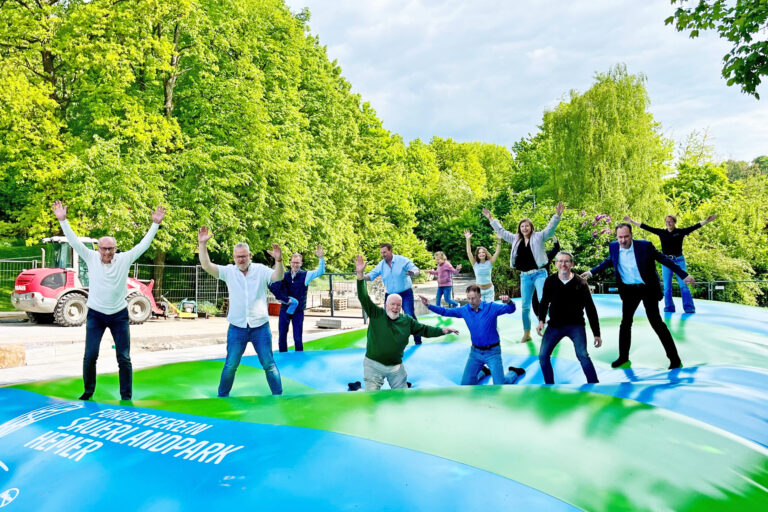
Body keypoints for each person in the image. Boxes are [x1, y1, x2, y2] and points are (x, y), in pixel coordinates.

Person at [52, 200, 165, 401]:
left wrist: (155, 224)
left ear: (115, 249)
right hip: (95, 314)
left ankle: (126, 396)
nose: (107, 252)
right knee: (90, 355)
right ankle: (88, 392)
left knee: (124, 357)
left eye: (110, 249)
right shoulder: (90, 257)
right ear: (98, 249)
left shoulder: (124, 259)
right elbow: (74, 241)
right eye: (103, 249)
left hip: (119, 315)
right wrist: (63, 221)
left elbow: (143, 245)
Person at [581, 223, 695, 369]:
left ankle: (674, 359)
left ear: (632, 235)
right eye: (620, 237)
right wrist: (591, 272)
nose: (622, 240)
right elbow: (610, 260)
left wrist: (683, 274)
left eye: (626, 237)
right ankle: (623, 357)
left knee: (657, 323)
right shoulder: (614, 246)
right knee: (625, 323)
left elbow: (664, 260)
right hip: (629, 291)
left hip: (648, 289)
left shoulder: (645, 246)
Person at [198, 226, 284, 397]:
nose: (241, 259)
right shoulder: (228, 271)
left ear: (249, 256)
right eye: (238, 257)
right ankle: (222, 397)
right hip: (237, 327)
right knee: (230, 364)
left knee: (269, 363)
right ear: (234, 257)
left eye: (244, 256)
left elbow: (278, 277)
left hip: (260, 326)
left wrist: (279, 261)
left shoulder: (260, 270)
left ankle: (279, 396)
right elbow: (206, 265)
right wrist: (202, 245)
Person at [356, 255, 457, 390]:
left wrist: (442, 330)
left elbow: (424, 330)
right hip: (373, 365)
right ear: (386, 305)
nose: (395, 307)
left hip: (396, 367)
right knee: (371, 397)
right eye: (392, 304)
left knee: (402, 396)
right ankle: (357, 388)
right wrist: (360, 275)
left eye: (398, 305)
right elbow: (363, 297)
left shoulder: (407, 321)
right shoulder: (377, 314)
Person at [482, 201, 565, 343]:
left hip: (539, 274)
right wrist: (491, 219)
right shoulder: (515, 239)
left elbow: (550, 229)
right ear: (519, 228)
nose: (524, 228)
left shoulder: (539, 236)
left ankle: (554, 329)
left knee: (543, 301)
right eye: (522, 226)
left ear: (531, 227)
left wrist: (557, 215)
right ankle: (527, 334)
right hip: (525, 276)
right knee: (525, 306)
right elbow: (501, 231)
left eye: (527, 226)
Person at [419, 285, 524, 386]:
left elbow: (511, 310)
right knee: (465, 385)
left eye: (473, 298)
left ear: (480, 296)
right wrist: (429, 305)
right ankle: (483, 372)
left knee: (500, 385)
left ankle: (513, 372)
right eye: (468, 298)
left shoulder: (491, 307)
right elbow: (445, 311)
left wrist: (509, 302)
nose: (470, 301)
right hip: (475, 353)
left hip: (493, 353)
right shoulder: (465, 310)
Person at [623, 214, 716, 313]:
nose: (668, 223)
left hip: (679, 260)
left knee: (683, 285)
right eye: (667, 221)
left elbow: (694, 227)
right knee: (667, 287)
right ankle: (669, 307)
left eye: (670, 221)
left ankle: (689, 308)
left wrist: (706, 221)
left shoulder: (680, 232)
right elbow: (646, 227)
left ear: (674, 222)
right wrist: (632, 221)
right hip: (666, 261)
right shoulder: (661, 232)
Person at [537, 252, 602, 385]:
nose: (563, 264)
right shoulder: (550, 281)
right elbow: (544, 302)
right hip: (555, 325)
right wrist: (541, 320)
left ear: (572, 264)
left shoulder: (581, 283)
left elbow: (590, 309)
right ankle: (549, 385)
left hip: (575, 325)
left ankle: (594, 384)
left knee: (582, 355)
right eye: (560, 261)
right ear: (555, 264)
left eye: (567, 261)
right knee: (543, 356)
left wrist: (597, 334)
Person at [268, 246, 325, 352]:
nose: (295, 265)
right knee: (282, 336)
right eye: (293, 262)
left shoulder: (306, 275)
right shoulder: (283, 275)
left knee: (298, 337)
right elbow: (275, 288)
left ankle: (299, 359)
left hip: (298, 311)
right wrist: (281, 299)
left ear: (301, 264)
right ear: (290, 263)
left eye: (297, 263)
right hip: (285, 309)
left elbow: (320, 271)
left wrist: (321, 258)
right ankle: (283, 357)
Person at [365, 243, 422, 344]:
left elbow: (416, 269)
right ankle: (391, 342)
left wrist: (413, 273)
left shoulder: (402, 260)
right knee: (388, 317)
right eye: (381, 253)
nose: (383, 255)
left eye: (385, 252)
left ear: (391, 251)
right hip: (390, 295)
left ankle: (418, 340)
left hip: (405, 293)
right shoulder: (381, 265)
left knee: (409, 315)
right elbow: (371, 275)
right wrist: (361, 275)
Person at [464, 229, 501, 302]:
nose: (481, 254)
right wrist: (468, 240)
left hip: (489, 291)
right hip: (479, 291)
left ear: (486, 253)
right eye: (479, 253)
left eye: (483, 252)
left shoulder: (490, 262)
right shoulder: (475, 264)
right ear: (477, 255)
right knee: (480, 310)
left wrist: (499, 240)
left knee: (489, 309)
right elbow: (469, 252)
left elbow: (497, 252)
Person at [531, 236, 561, 316]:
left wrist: (554, 237)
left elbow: (556, 249)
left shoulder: (546, 257)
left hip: (545, 285)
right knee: (535, 304)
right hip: (535, 285)